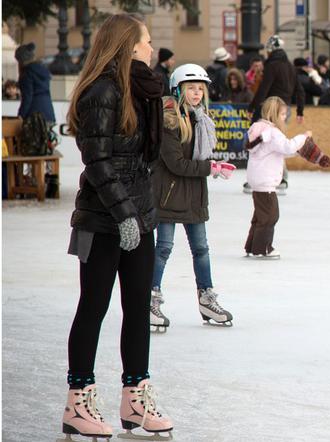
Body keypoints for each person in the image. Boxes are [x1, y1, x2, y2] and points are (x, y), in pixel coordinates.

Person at [63, 13, 173, 440]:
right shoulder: (101, 92)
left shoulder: (139, 91)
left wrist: (140, 215)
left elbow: (142, 161)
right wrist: (124, 212)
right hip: (101, 220)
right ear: (128, 45)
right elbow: (98, 161)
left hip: (139, 218)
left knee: (137, 309)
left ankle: (135, 397)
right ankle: (78, 400)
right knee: (93, 307)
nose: (150, 48)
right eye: (145, 42)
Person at [150, 63, 236, 331]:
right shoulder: (169, 121)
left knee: (201, 250)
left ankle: (206, 298)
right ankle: (150, 299)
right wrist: (209, 167)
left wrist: (214, 166)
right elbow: (176, 163)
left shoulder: (201, 119)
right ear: (178, 90)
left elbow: (198, 159)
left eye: (200, 89)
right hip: (168, 196)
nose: (197, 93)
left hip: (194, 196)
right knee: (163, 249)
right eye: (191, 88)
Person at [244, 96, 330, 259]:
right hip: (266, 181)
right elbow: (288, 147)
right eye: (283, 115)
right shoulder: (273, 132)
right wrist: (303, 137)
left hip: (257, 179)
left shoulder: (257, 128)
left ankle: (252, 246)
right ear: (274, 114)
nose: (285, 118)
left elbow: (279, 152)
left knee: (260, 215)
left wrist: (298, 151)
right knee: (270, 215)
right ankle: (263, 248)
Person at [247, 35, 305, 194]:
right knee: (278, 142)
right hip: (285, 111)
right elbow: (300, 90)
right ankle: (281, 178)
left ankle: (274, 177)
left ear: (271, 50)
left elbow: (263, 89)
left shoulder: (272, 66)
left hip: (272, 109)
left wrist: (253, 108)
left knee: (263, 143)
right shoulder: (290, 67)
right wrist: (300, 111)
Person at [14, 42, 55, 124]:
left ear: (21, 61)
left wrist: (20, 115)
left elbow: (27, 98)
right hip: (49, 113)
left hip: (35, 117)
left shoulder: (27, 74)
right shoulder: (43, 71)